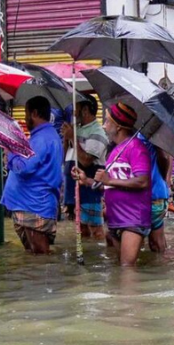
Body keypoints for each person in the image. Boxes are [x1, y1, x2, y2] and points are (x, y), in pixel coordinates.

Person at [72, 102, 152, 267]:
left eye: (108, 121)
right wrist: (86, 180)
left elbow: (143, 181)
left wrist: (109, 180)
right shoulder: (115, 151)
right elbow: (109, 185)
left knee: (127, 269)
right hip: (115, 220)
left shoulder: (136, 148)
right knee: (120, 268)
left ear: (119, 127)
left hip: (132, 219)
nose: (104, 125)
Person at [0, 97, 64, 254]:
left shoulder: (42, 139)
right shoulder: (44, 136)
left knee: (40, 258)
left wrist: (10, 153)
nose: (24, 118)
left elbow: (24, 168)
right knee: (34, 258)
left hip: (34, 206)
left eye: (26, 113)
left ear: (34, 113)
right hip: (31, 205)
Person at [70, 95, 108, 240]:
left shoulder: (97, 132)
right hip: (77, 188)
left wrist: (73, 138)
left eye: (77, 108)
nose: (74, 112)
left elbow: (86, 160)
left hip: (91, 189)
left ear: (85, 110)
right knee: (82, 231)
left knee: (96, 230)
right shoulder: (78, 130)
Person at [140, 135, 172, 253]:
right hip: (155, 193)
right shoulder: (146, 135)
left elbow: (164, 157)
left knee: (154, 243)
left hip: (152, 193)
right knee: (156, 242)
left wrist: (163, 179)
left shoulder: (152, 135)